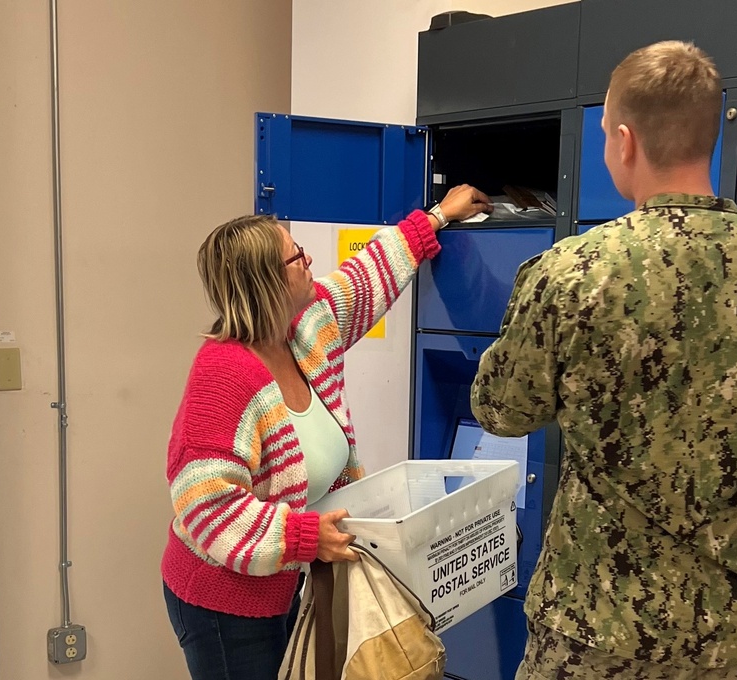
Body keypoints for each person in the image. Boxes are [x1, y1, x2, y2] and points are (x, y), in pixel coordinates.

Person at [470, 41, 737, 680]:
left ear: (624, 140)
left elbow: (500, 410)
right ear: (710, 135)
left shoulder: (571, 274)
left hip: (594, 632)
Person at [161, 185, 492, 680]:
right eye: (296, 257)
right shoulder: (223, 375)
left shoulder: (305, 325)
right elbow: (206, 507)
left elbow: (365, 279)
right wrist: (304, 539)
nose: (308, 259)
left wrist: (438, 216)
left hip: (289, 581)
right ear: (267, 284)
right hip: (223, 606)